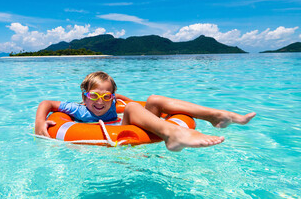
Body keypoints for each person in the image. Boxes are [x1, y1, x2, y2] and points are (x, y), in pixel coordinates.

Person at [35, 71, 256, 151]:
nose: (100, 102)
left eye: (106, 96)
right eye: (94, 96)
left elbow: (125, 100)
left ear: (112, 97)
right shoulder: (79, 110)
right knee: (132, 108)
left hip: (125, 120)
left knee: (154, 99)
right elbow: (47, 103)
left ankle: (215, 116)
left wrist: (128, 102)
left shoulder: (114, 102)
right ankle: (172, 134)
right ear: (85, 97)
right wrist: (40, 123)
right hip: (117, 129)